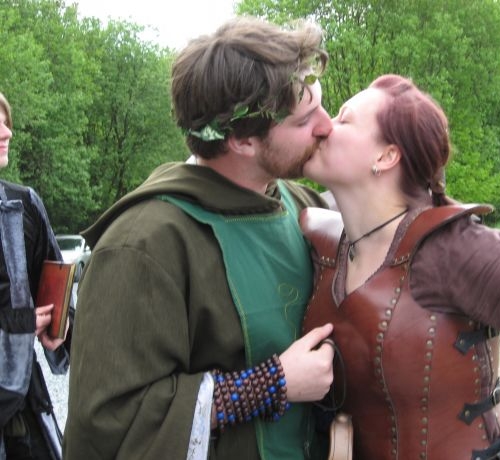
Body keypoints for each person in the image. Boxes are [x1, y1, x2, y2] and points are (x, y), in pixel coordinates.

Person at [300, 74, 500, 459]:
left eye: (344, 119)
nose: (325, 126)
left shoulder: (456, 250)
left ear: (386, 156)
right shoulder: (323, 242)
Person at [63, 17, 335, 460]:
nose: (327, 125)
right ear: (242, 141)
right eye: (305, 119)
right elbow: (111, 425)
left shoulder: (305, 206)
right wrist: (267, 385)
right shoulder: (141, 246)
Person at [0, 91, 71, 460]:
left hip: (24, 406)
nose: (7, 132)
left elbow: (57, 295)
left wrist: (61, 327)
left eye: (6, 121)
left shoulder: (23, 206)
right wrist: (18, 325)